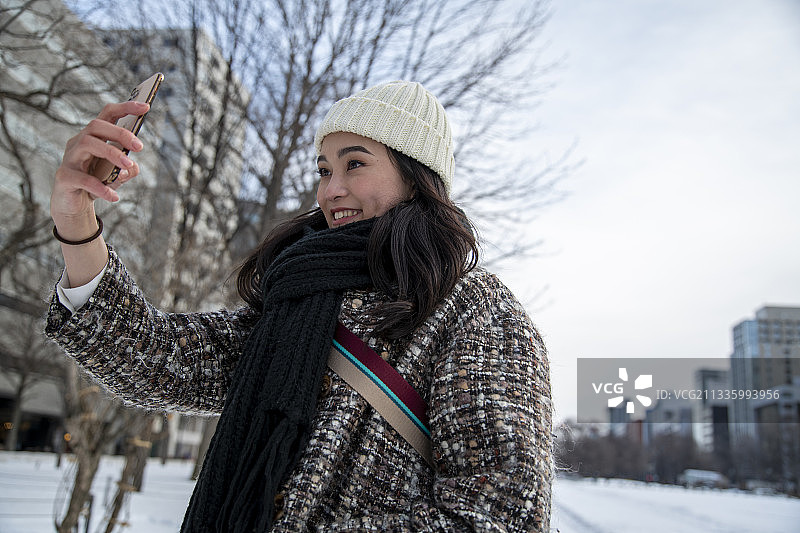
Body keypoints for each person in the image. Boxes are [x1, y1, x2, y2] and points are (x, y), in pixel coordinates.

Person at [46, 80, 553, 532]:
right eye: (324, 169)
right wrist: (75, 219)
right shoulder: (295, 299)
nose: (331, 190)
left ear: (416, 176)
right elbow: (158, 359)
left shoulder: (476, 312)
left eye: (355, 164)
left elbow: (500, 513)